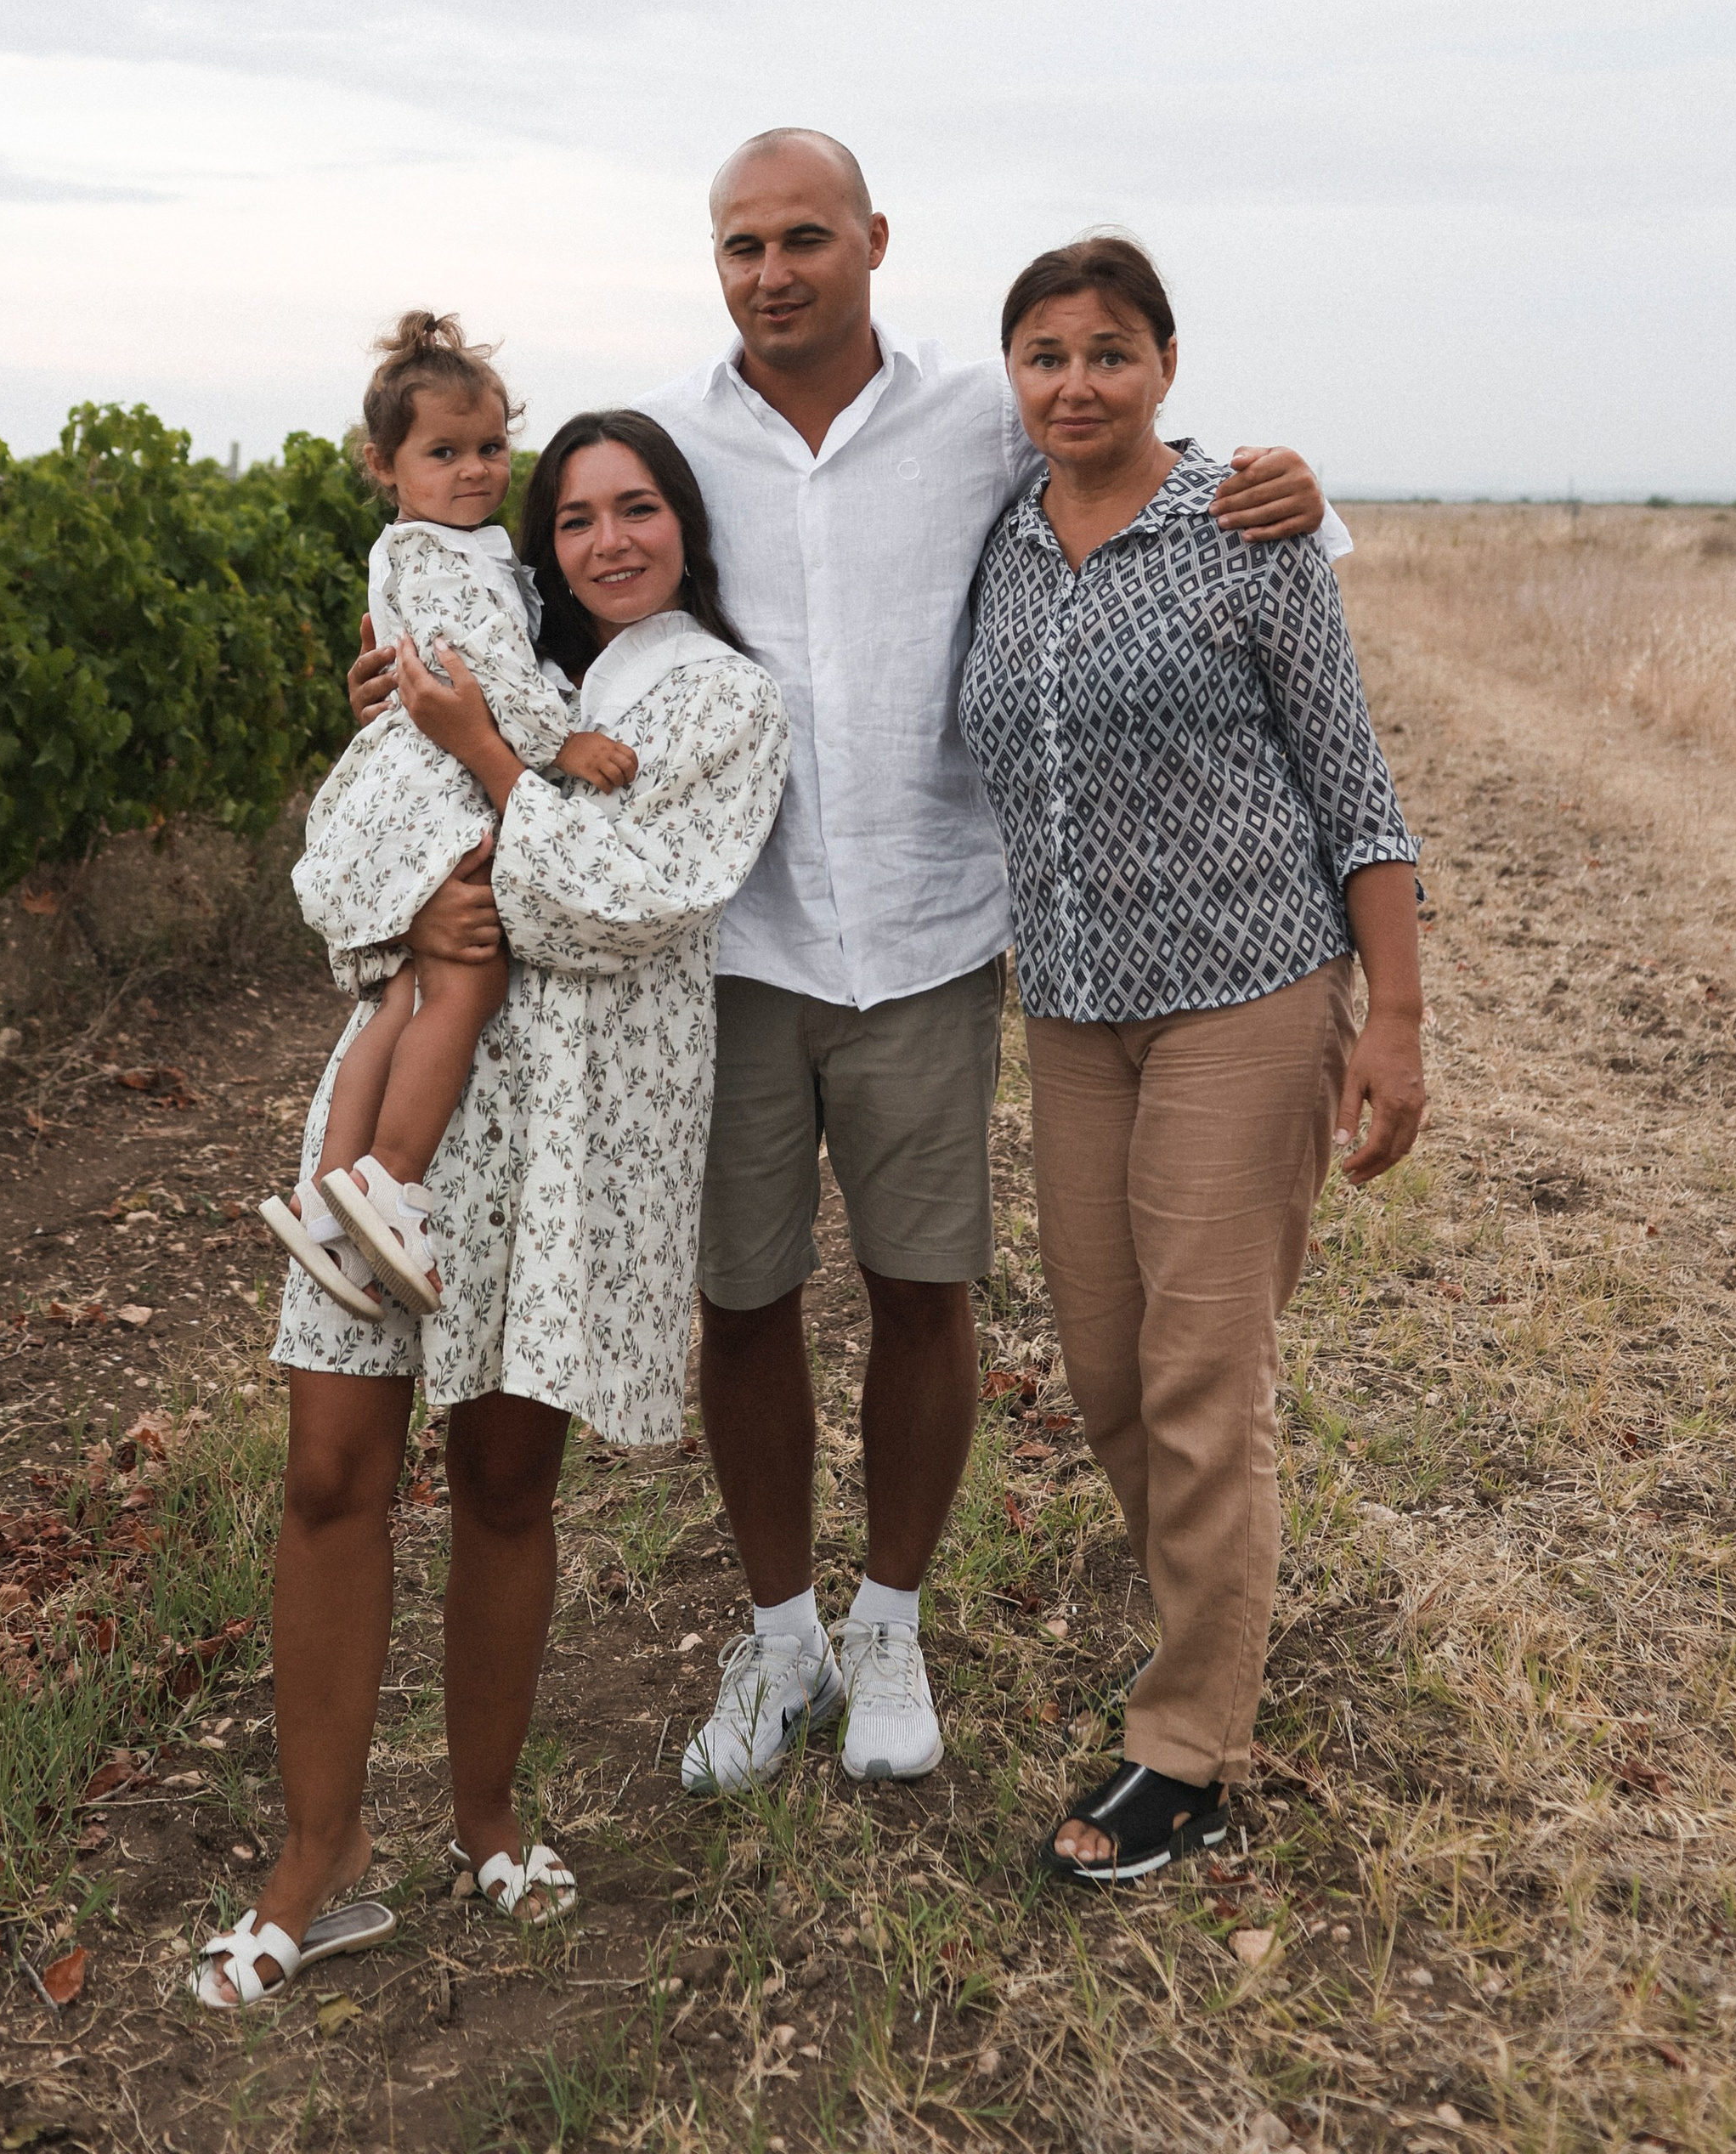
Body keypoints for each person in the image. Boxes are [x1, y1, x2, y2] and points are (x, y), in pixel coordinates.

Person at [371, 130, 1339, 1800]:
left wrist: (1292, 493)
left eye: (803, 237)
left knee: (918, 1290)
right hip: (724, 945)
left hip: (927, 941)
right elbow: (565, 600)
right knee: (740, 1303)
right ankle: (780, 1636)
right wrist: (414, 692)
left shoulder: (975, 413)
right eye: (740, 244)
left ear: (873, 241)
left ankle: (886, 1619)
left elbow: (1146, 479)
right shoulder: (672, 432)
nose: (771, 272)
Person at [192, 415, 788, 2006]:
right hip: (406, 1120)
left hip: (576, 1139)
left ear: (686, 527)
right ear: (537, 539)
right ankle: (312, 1865)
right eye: (574, 514)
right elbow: (334, 878)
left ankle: (485, 1817)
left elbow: (613, 905)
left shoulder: (722, 700)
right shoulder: (457, 657)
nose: (607, 540)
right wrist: (420, 876)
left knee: (509, 1476)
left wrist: (486, 772)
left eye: (640, 507)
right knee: (331, 1468)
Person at [958, 235, 1423, 1884]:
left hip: (1245, 993)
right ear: (1007, 375)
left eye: (1105, 351)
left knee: (1199, 1368)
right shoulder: (997, 544)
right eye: (1041, 355)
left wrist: (1396, 1017)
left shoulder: (1241, 527)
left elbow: (1351, 783)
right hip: (1074, 1011)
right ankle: (1208, 1628)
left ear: (1163, 361)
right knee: (1101, 1366)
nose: (1072, 384)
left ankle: (1188, 1751)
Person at [264, 313, 633, 1320]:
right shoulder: (442, 558)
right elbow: (486, 674)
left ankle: (326, 1198)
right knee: (468, 978)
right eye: (444, 453)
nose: (474, 471)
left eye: (488, 448)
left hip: (401, 787)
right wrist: (563, 747)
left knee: (400, 997)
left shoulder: (432, 547)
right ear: (385, 465)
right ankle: (392, 1180)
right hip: (432, 788)